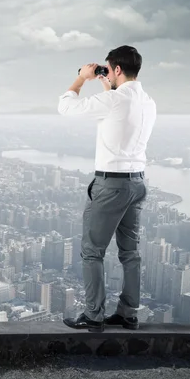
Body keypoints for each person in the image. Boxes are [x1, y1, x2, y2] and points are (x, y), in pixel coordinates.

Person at [57, 45, 157, 332]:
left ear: (116, 69)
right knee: (130, 253)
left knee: (92, 251)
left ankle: (94, 315)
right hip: (137, 183)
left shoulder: (114, 100)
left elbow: (66, 107)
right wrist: (106, 87)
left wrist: (81, 79)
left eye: (107, 69)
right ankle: (128, 314)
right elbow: (120, 116)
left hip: (111, 185)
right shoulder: (148, 101)